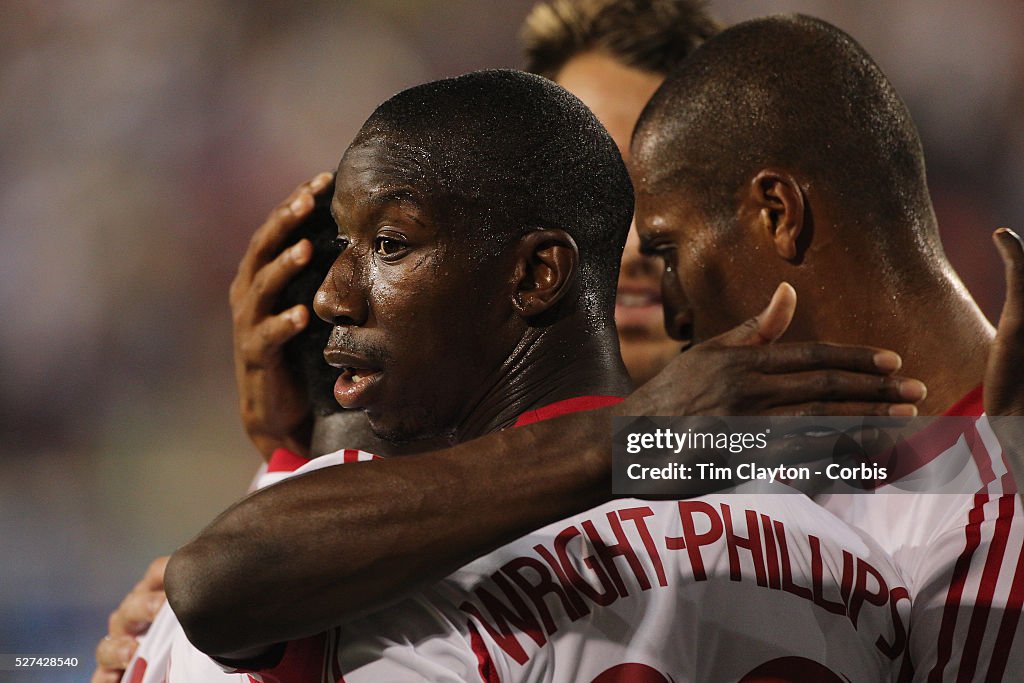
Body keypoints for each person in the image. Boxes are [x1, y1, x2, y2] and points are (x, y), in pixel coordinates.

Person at [170, 68, 914, 682]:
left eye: (390, 244)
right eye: (343, 243)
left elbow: (212, 582)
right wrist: (625, 442)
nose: (334, 293)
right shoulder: (855, 561)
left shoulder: (389, 581)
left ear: (536, 272)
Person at [627, 14, 1024, 681]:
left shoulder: (999, 512)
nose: (673, 312)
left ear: (779, 213)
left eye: (669, 251)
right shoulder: (797, 457)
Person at [521, 0, 721, 385]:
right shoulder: (402, 431)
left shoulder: (833, 439)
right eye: (585, 184)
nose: (632, 247)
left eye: (673, 190)